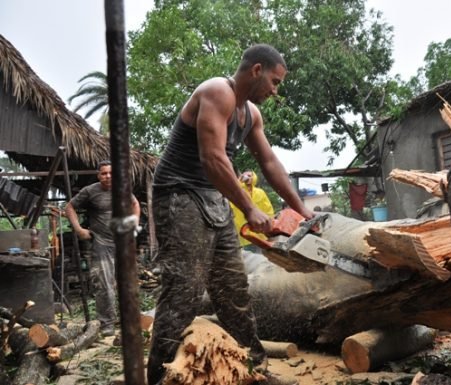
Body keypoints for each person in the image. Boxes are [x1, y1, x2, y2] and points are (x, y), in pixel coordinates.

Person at [147, 44, 314, 385]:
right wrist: (249, 207)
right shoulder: (216, 93)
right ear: (256, 70)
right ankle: (159, 377)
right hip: (179, 194)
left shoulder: (251, 113)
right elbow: (213, 159)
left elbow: (269, 162)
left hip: (213, 197)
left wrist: (302, 211)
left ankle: (254, 369)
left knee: (233, 291)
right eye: (274, 81)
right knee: (183, 292)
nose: (275, 90)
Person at [64, 160, 140, 337]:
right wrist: (78, 229)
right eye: (104, 173)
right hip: (101, 244)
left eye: (111, 173)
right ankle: (106, 323)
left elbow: (135, 205)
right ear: (99, 175)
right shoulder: (90, 191)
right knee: (104, 285)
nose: (108, 176)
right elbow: (69, 207)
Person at [231, 170, 275, 254]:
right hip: (242, 231)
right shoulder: (236, 191)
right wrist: (238, 182)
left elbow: (268, 209)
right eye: (245, 175)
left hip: (260, 232)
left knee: (262, 257)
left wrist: (270, 224)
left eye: (250, 175)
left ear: (254, 177)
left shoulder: (260, 192)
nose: (247, 177)